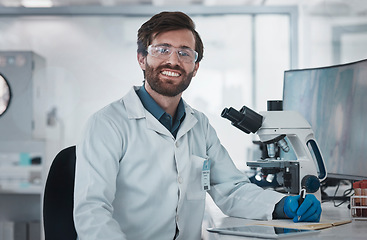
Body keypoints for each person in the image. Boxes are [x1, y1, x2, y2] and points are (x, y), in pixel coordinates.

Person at [73, 11, 321, 240]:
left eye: (184, 53)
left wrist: (281, 205)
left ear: (195, 67)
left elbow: (230, 188)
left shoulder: (199, 125)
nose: (173, 61)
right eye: (162, 49)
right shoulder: (107, 124)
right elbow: (92, 212)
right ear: (142, 59)